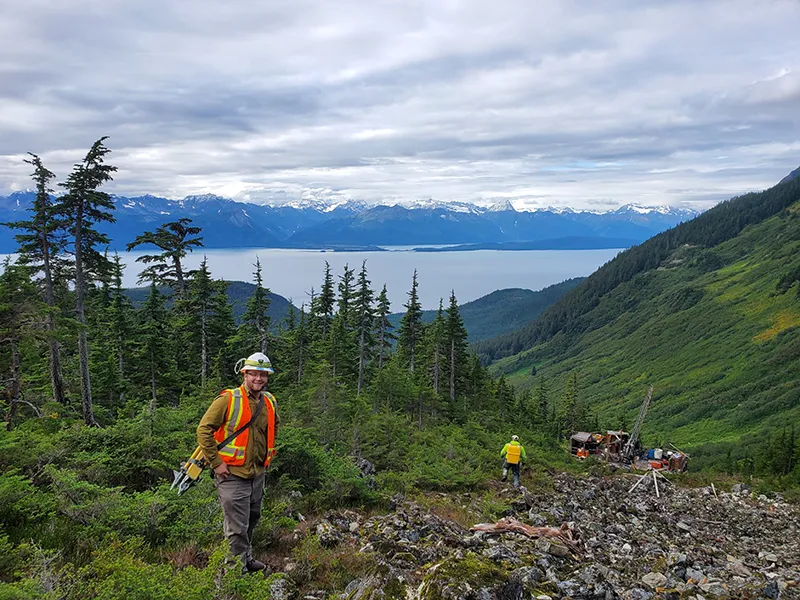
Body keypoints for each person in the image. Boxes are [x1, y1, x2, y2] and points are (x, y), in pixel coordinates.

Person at [197, 352, 279, 574]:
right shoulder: (228, 399)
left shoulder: (270, 401)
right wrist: (216, 463)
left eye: (263, 375)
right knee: (236, 528)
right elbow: (204, 430)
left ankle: (246, 558)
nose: (258, 379)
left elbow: (272, 429)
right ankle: (234, 574)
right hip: (231, 474)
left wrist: (266, 459)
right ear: (244, 374)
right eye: (253, 374)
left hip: (257, 473)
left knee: (252, 519)